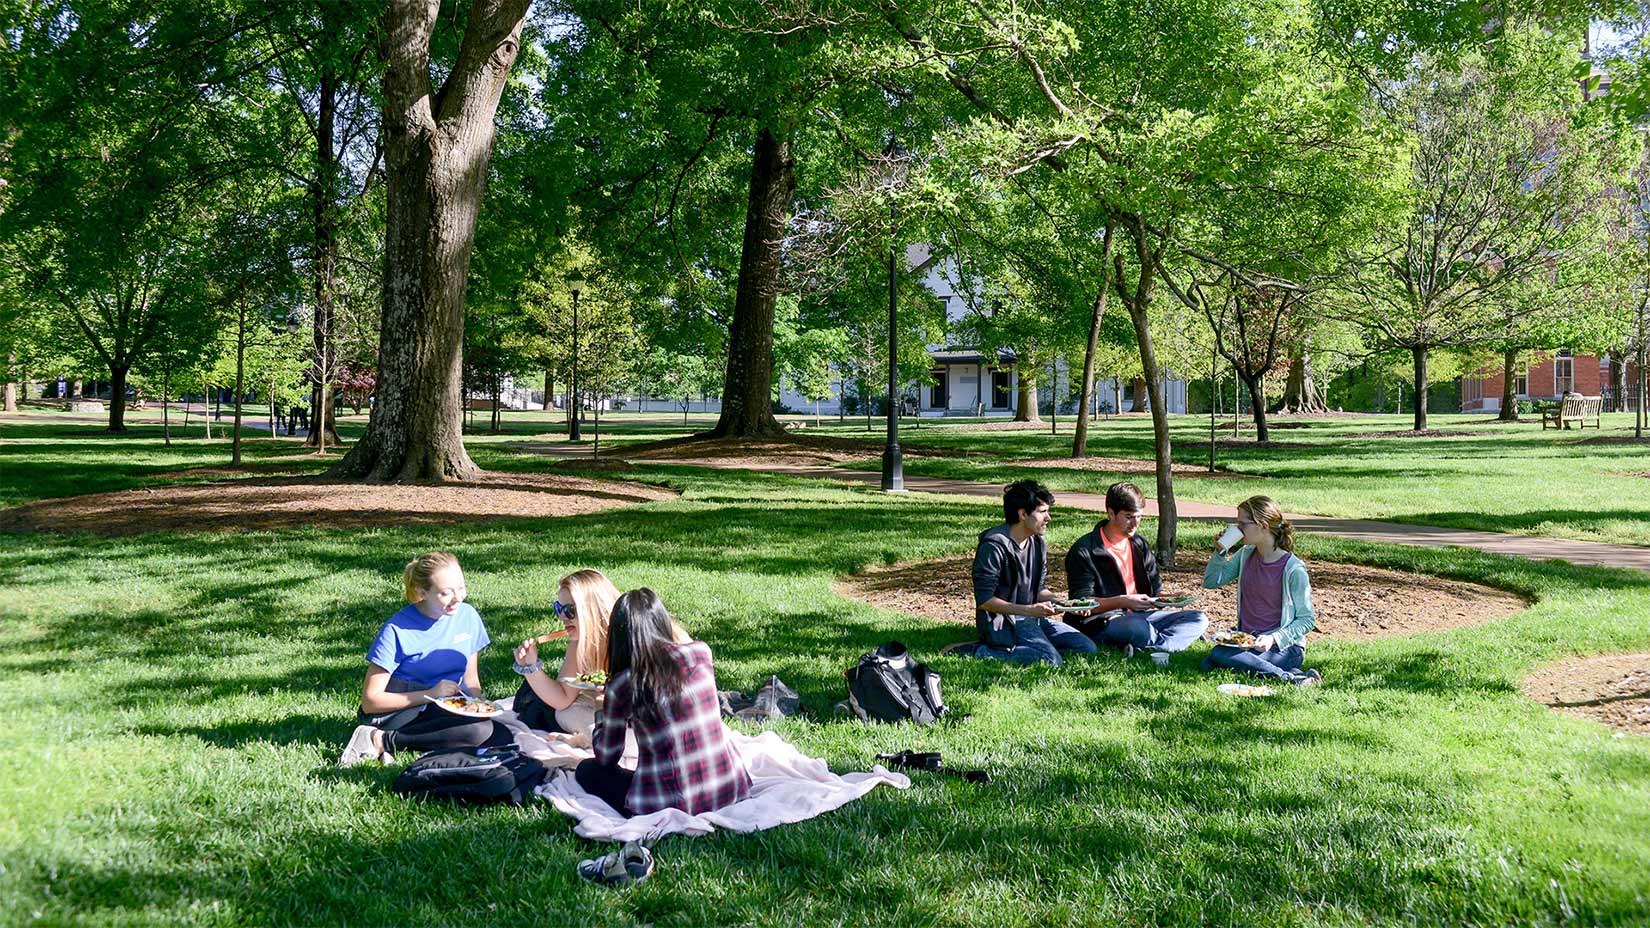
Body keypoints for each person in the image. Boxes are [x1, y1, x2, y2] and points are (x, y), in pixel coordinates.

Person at [574, 589, 751, 817]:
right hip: (729, 788)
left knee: (588, 771)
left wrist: (601, 709)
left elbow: (607, 756)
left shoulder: (622, 684)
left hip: (670, 803)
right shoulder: (701, 652)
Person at [339, 552, 524, 766]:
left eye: (461, 588)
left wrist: (478, 704)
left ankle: (420, 742)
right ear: (422, 592)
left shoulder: (468, 616)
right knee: (477, 731)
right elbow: (371, 702)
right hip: (396, 711)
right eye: (446, 593)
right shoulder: (397, 630)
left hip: (445, 706)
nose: (458, 598)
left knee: (499, 733)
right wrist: (430, 694)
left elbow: (470, 680)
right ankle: (379, 739)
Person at [947, 479, 1098, 665]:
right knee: (1051, 660)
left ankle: (1030, 648)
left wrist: (1063, 603)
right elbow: (985, 601)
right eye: (1042, 512)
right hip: (1003, 621)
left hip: (1031, 617)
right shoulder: (993, 546)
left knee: (1086, 648)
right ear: (1023, 514)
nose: (1048, 518)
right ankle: (977, 650)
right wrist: (1029, 610)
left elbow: (1039, 589)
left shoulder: (1037, 542)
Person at [1064, 482, 1208, 663]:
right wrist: (1122, 601)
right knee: (1138, 627)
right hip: (1102, 620)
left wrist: (1169, 598)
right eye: (1129, 517)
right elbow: (1081, 604)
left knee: (1198, 618)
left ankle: (1153, 646)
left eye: (1139, 517)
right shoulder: (1085, 550)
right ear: (1110, 513)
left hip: (1141, 615)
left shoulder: (1139, 544)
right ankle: (1167, 641)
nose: (1135, 523)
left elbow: (1155, 592)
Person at [1201, 496, 1322, 686]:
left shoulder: (1293, 569)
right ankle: (1295, 674)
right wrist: (1221, 551)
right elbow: (1211, 582)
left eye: (1243, 524)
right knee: (1211, 661)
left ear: (1263, 525)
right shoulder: (1245, 555)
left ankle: (1289, 678)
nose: (1238, 529)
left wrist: (1274, 638)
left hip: (1284, 647)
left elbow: (1307, 620)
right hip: (1248, 643)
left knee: (1218, 657)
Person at [508, 569, 619, 736]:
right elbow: (563, 699)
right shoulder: (579, 642)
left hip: (645, 714)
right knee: (565, 714)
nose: (562, 617)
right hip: (612, 711)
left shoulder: (625, 635)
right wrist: (531, 667)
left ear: (593, 610)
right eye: (558, 608)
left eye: (569, 610)